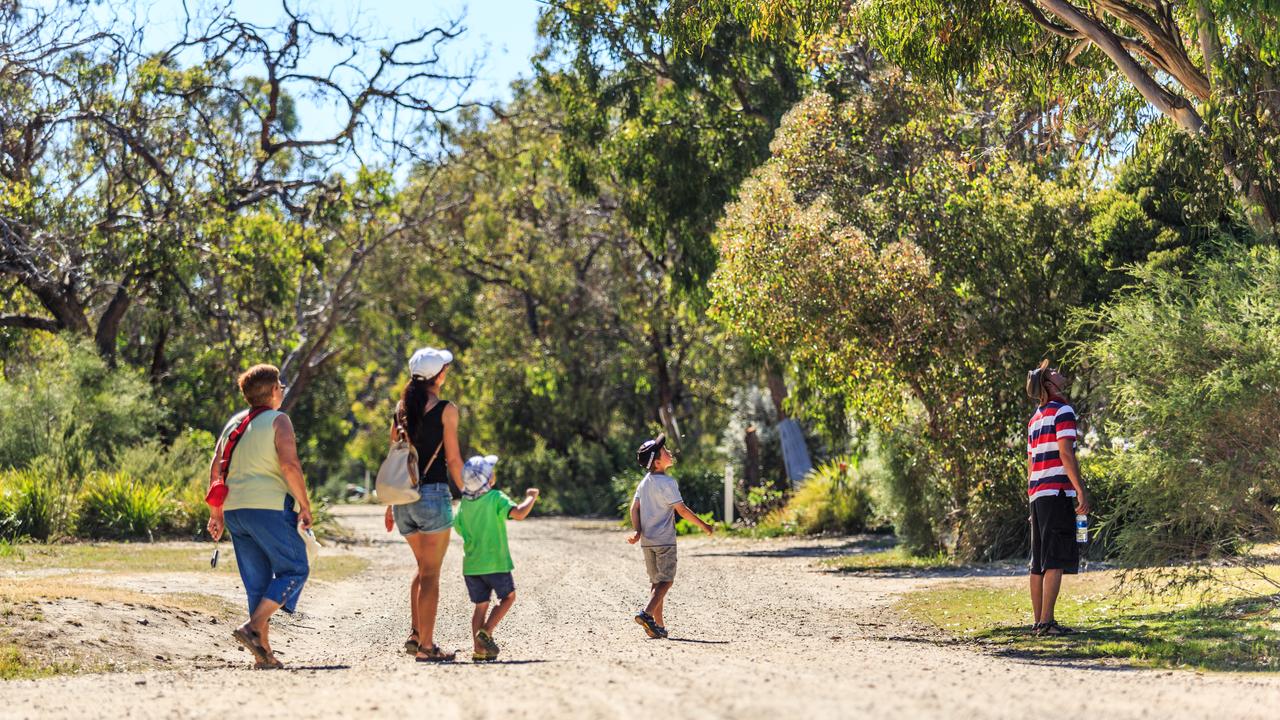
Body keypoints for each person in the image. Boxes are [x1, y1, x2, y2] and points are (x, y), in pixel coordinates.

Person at [207, 364, 313, 670]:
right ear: (274, 391)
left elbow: (216, 468)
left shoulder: (233, 424)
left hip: (235, 511)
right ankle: (253, 627)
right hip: (267, 508)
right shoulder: (279, 420)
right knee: (295, 569)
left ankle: (263, 654)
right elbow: (290, 465)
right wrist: (305, 506)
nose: (282, 389)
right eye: (280, 385)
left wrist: (216, 514)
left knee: (257, 584)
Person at [385, 347, 464, 662]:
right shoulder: (447, 409)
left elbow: (395, 456)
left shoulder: (401, 408)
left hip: (404, 498)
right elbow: (454, 459)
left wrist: (389, 504)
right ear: (439, 375)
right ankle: (427, 648)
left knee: (422, 568)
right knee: (431, 573)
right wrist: (471, 491)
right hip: (432, 495)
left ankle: (416, 634)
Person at [1025, 359, 1092, 636]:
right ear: (1049, 385)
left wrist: (1030, 497)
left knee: (1038, 559)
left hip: (1038, 494)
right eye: (1051, 372)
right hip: (1057, 492)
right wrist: (1080, 490)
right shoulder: (1063, 411)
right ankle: (1047, 622)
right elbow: (1066, 454)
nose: (1057, 371)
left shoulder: (1035, 419)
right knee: (1053, 558)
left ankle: (1038, 621)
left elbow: (1031, 463)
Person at [627, 433, 714, 639]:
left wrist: (638, 530)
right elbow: (681, 510)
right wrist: (704, 525)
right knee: (666, 582)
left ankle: (658, 626)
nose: (669, 452)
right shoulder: (668, 482)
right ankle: (646, 614)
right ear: (657, 462)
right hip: (665, 541)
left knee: (656, 583)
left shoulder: (645, 482)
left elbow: (633, 508)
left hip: (647, 542)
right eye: (664, 451)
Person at [452, 454, 539, 661]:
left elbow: (458, 527)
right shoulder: (495, 498)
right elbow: (518, 513)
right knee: (508, 597)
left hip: (472, 565)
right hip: (496, 563)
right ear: (489, 479)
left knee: (480, 606)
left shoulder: (464, 503)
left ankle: (479, 651)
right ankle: (487, 631)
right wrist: (531, 497)